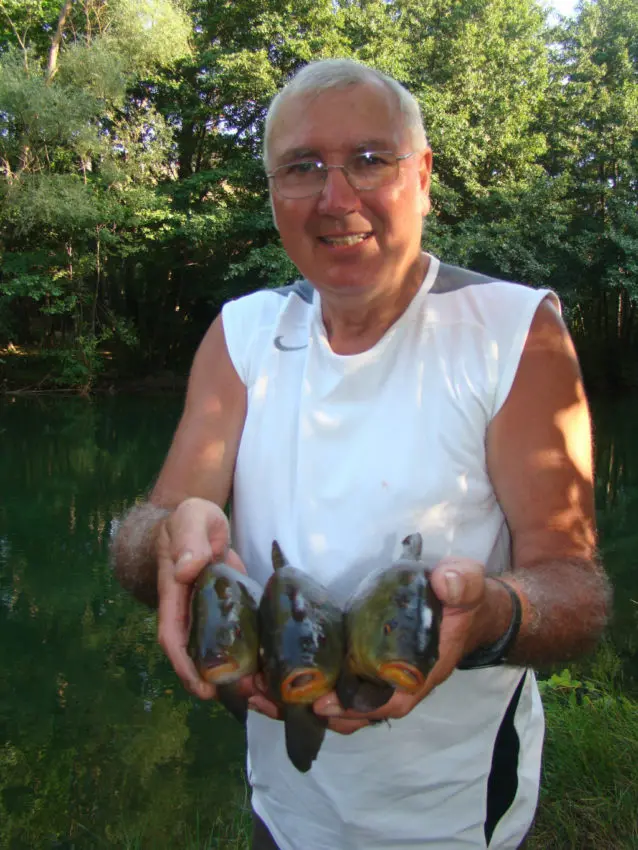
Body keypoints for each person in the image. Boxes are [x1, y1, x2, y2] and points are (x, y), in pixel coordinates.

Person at [111, 58, 610, 850]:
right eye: (302, 168)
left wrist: (494, 614)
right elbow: (157, 526)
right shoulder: (241, 334)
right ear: (273, 194)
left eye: (370, 160)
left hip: (455, 812)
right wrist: (165, 544)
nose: (336, 198)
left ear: (423, 176)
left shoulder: (513, 332)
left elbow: (574, 586)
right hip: (283, 796)